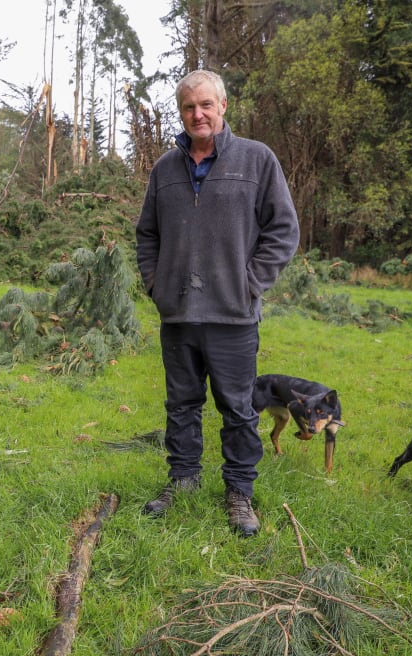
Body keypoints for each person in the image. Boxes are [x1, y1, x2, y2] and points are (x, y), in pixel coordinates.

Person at [134, 70, 299, 536]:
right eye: (189, 107)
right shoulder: (165, 169)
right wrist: (157, 284)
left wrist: (251, 283)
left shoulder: (257, 160)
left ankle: (239, 493)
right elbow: (147, 234)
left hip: (233, 315)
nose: (197, 114)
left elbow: (284, 230)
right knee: (181, 405)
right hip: (179, 313)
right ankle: (183, 479)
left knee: (239, 408)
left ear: (223, 107)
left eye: (206, 105)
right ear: (181, 113)